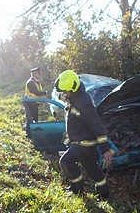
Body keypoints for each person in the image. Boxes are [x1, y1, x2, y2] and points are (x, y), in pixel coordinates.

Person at [54, 69, 115, 198]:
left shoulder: (83, 103)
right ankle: (104, 193)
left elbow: (97, 125)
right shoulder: (76, 98)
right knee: (91, 167)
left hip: (84, 144)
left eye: (66, 91)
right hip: (82, 141)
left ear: (74, 87)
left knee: (65, 161)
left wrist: (105, 149)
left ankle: (77, 188)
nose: (65, 93)